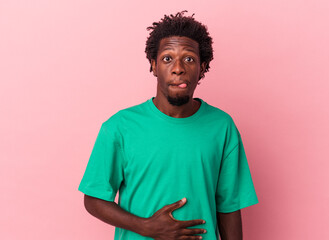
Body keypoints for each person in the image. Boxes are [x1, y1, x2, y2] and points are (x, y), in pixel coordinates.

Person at [78, 11, 258, 240]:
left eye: (189, 59)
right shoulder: (120, 127)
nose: (178, 67)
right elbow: (93, 198)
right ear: (153, 65)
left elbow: (230, 205)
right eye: (167, 58)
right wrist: (145, 226)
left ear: (202, 67)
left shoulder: (222, 127)